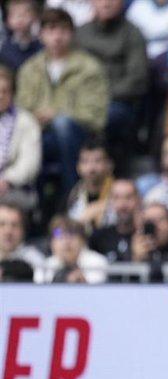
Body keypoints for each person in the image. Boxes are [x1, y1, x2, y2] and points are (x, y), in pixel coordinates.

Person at [16, 8, 109, 195]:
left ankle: (71, 194)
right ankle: (34, 201)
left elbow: (96, 115)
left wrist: (57, 114)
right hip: (40, 134)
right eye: (51, 30)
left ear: (72, 34)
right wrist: (37, 117)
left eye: (63, 30)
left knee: (62, 125)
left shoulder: (89, 67)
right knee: (30, 138)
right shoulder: (30, 68)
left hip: (81, 134)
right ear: (41, 35)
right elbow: (21, 109)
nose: (57, 37)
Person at [76, 0, 148, 171]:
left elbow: (137, 80)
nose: (106, 3)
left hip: (118, 101)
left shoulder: (132, 33)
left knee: (109, 116)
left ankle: (113, 173)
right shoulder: (80, 33)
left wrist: (102, 97)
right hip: (82, 100)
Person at [0, 66, 40, 211]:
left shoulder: (26, 121)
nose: (0, 96)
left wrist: (7, 180)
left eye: (5, 91)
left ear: (13, 94)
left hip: (14, 188)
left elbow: (30, 163)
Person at [65, 138, 115, 230]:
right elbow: (58, 230)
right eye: (85, 161)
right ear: (78, 167)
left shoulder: (120, 193)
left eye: (97, 161)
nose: (91, 168)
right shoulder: (72, 195)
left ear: (109, 165)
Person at [42, 216, 108, 283]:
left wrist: (83, 281)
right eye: (60, 237)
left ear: (83, 241)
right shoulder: (45, 266)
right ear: (51, 243)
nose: (66, 242)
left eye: (71, 235)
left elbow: (96, 287)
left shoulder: (97, 262)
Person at [88, 178, 140, 263]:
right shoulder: (98, 238)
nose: (123, 205)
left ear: (138, 200)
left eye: (128, 197)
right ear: (110, 202)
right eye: (116, 198)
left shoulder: (147, 236)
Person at [0, 201, 44, 270]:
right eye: (2, 224)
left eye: (14, 225)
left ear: (23, 230)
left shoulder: (35, 261)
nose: (8, 231)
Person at [0, 0, 43, 71]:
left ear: (35, 17)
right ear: (7, 20)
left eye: (24, 14)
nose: (20, 19)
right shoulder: (4, 48)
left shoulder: (41, 46)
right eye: (15, 15)